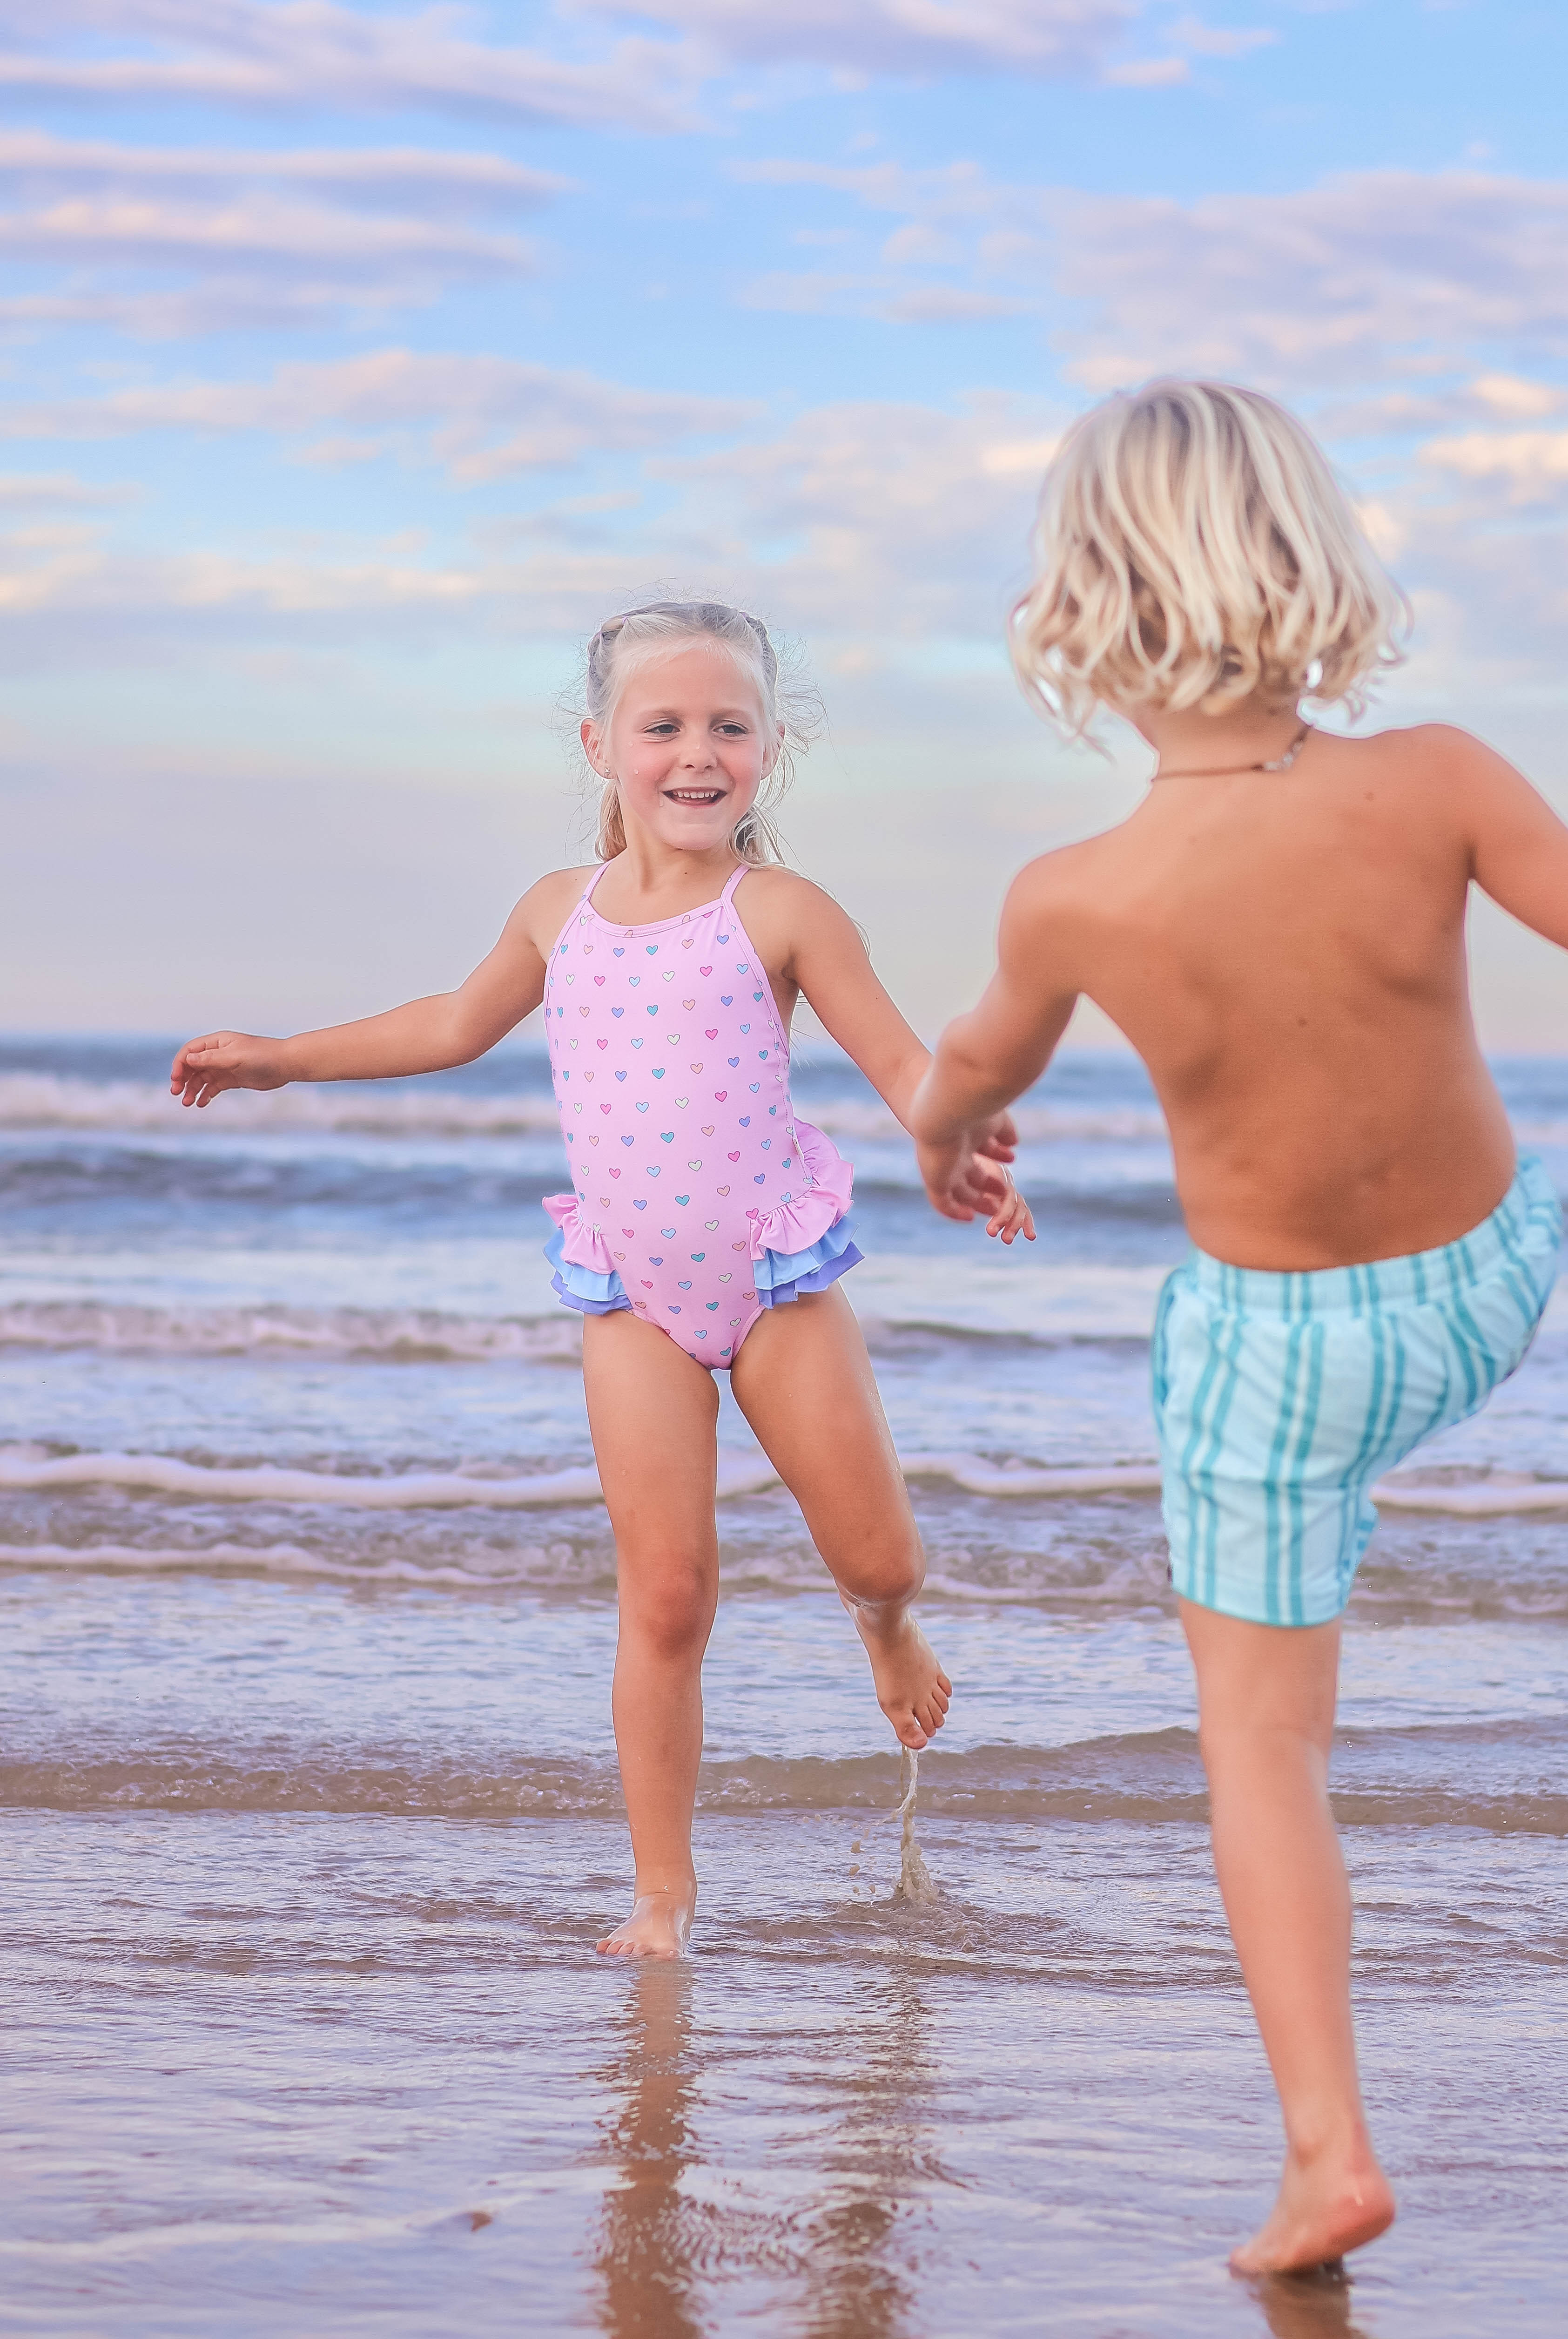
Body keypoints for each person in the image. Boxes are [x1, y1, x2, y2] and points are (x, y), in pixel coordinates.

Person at [908, 380, 1568, 2278]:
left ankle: (1324, 2157)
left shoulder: (1072, 897)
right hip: (1488, 1283)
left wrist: (950, 1142)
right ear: (1303, 556)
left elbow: (967, 1071)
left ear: (1075, 603)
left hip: (1278, 1359)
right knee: (1433, 1256)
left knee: (1260, 1747)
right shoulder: (1429, 779)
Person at [171, 597, 1032, 1961]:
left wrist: (964, 1136)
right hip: (630, 1292)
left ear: (768, 751)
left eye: (730, 727)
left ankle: (886, 1630)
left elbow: (906, 1068)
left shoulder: (786, 912)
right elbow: (451, 1024)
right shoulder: (554, 913)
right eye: (665, 726)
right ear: (601, 745)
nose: (699, 754)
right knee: (668, 1596)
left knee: (878, 1551)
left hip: (769, 1281)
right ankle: (662, 1896)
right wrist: (283, 1056)